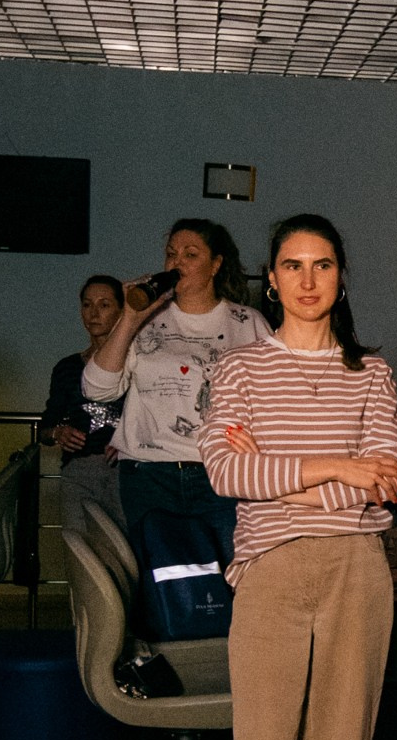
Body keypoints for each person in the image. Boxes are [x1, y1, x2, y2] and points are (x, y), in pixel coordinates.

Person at [180, 215, 397, 740]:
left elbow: (388, 478)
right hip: (271, 572)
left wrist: (288, 478)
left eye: (323, 264)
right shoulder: (239, 366)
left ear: (340, 276)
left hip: (357, 570)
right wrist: (337, 467)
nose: (308, 280)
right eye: (291, 265)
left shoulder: (371, 373)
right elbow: (224, 471)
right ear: (269, 280)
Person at [81, 219, 268, 558]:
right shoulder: (145, 321)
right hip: (149, 475)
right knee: (160, 578)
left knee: (227, 577)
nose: (176, 262)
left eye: (190, 254)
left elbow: (271, 400)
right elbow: (97, 389)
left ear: (215, 264)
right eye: (171, 254)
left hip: (221, 474)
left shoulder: (248, 323)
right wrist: (129, 319)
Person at [40, 274, 126, 543]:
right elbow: (45, 426)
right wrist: (59, 433)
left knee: (123, 549)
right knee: (79, 547)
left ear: (121, 311)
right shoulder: (68, 368)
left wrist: (129, 441)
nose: (94, 313)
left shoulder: (137, 364)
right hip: (79, 470)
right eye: (87, 305)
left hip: (125, 469)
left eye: (104, 305)